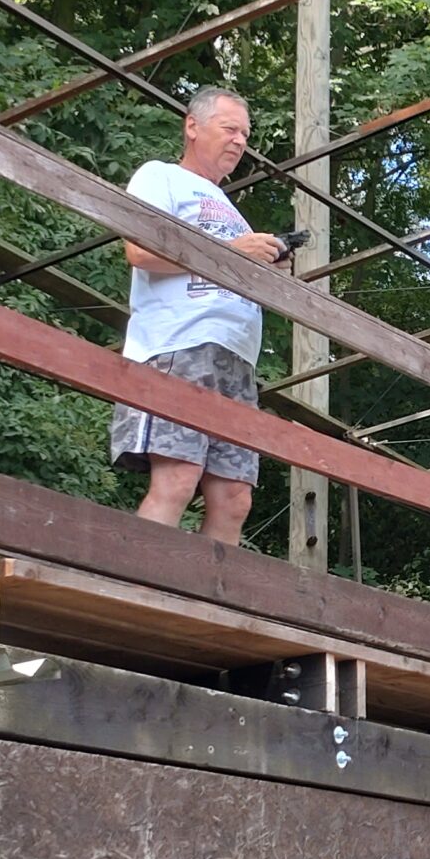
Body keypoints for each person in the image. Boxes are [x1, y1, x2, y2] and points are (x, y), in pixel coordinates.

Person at [109, 87, 292, 542]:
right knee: (178, 477)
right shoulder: (161, 176)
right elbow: (139, 250)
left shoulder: (233, 213)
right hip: (177, 344)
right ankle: (140, 579)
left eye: (245, 133)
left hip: (238, 359)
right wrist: (232, 252)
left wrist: (269, 269)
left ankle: (208, 591)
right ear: (192, 126)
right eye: (229, 128)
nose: (239, 141)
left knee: (234, 497)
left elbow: (232, 266)